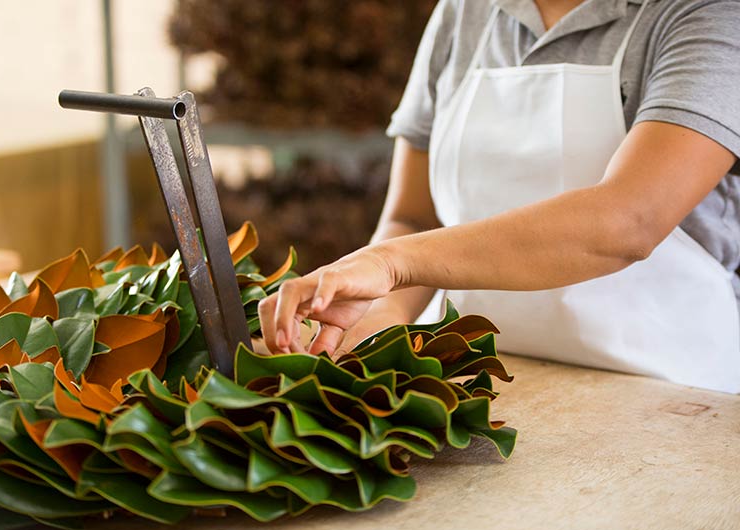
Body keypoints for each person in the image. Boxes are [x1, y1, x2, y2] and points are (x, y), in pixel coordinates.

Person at [258, 0, 740, 393]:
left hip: (677, 399)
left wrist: (387, 264)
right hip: (488, 383)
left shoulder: (707, 16)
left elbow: (628, 222)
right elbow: (413, 215)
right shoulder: (463, 13)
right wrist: (379, 315)